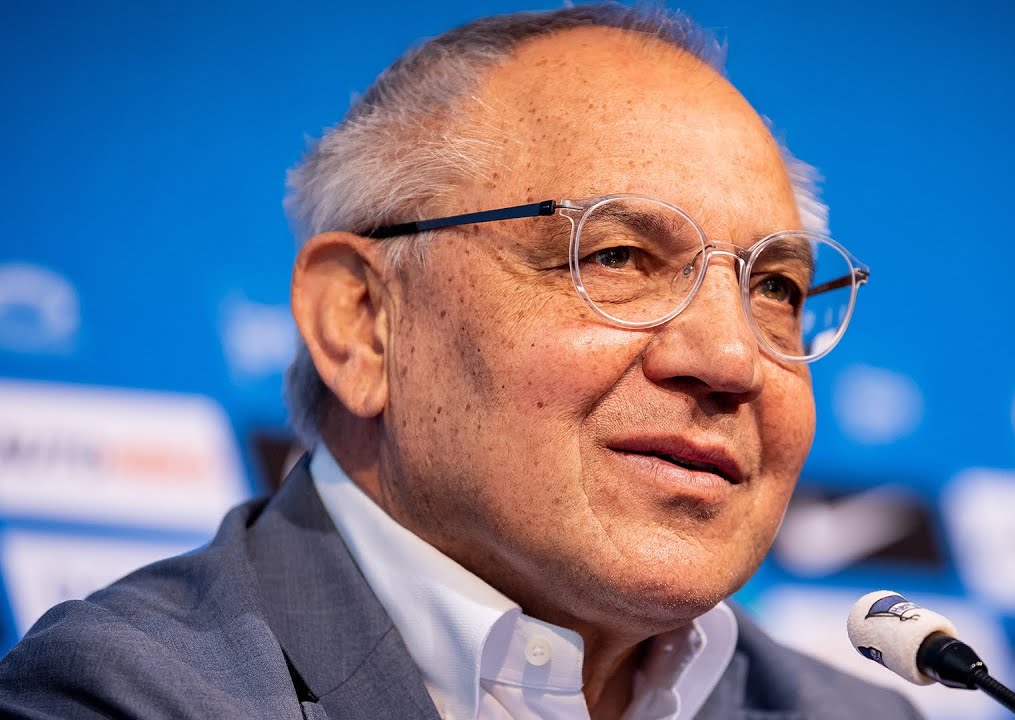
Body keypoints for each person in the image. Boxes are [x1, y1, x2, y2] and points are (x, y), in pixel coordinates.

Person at [0, 5, 921, 719]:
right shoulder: (127, 696)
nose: (729, 357)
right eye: (615, 258)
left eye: (777, 287)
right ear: (363, 324)